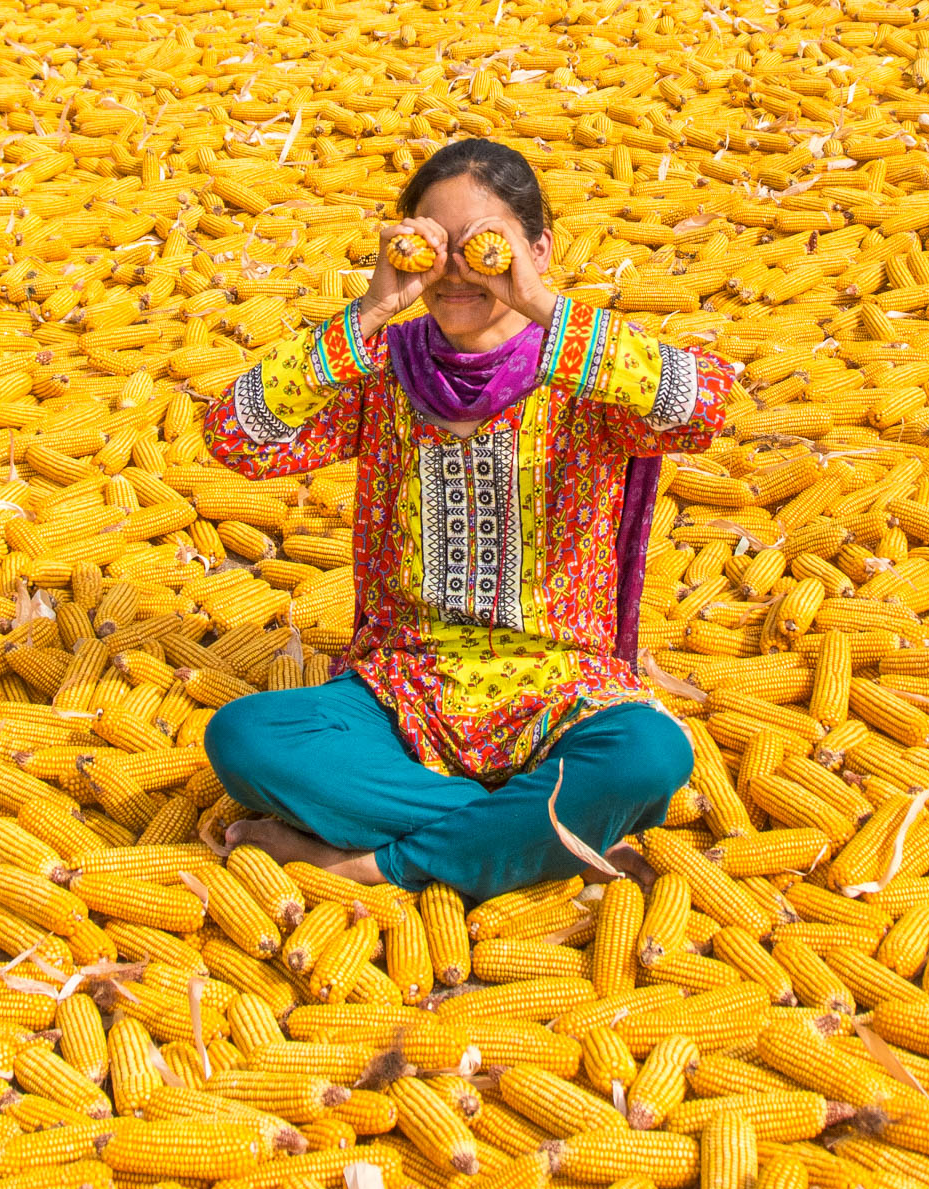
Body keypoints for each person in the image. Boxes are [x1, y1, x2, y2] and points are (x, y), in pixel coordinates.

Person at [200, 138, 739, 903]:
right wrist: (371, 310)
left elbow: (708, 408)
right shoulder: (387, 368)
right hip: (404, 687)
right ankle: (538, 839)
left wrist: (543, 307)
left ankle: (373, 864)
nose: (455, 272)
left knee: (649, 755)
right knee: (246, 740)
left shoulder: (584, 373)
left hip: (561, 688)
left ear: (538, 248)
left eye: (484, 248)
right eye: (433, 247)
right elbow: (233, 438)